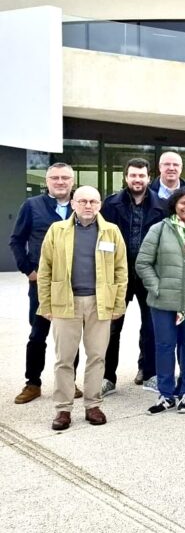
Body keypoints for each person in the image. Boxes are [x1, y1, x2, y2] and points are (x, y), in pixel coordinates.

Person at [36, 186, 127, 431]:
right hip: (66, 301)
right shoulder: (57, 230)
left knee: (97, 356)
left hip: (100, 302)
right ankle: (63, 409)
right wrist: (46, 303)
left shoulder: (111, 231)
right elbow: (44, 269)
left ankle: (93, 405)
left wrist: (118, 304)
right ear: (73, 204)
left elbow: (121, 270)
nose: (88, 206)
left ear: (100, 205)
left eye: (93, 201)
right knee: (64, 358)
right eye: (83, 201)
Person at [135, 187, 185, 415]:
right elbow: (143, 263)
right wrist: (157, 287)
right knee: (164, 346)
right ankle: (166, 394)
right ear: (175, 204)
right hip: (163, 301)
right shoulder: (159, 229)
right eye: (183, 203)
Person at [11, 162, 77, 405]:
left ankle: (69, 383)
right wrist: (28, 271)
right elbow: (17, 240)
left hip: (74, 284)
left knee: (70, 336)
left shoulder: (81, 206)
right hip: (42, 284)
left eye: (65, 178)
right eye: (55, 178)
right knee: (38, 334)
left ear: (72, 181)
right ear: (47, 181)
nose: (60, 182)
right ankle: (33, 383)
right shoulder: (32, 206)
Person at [100, 158, 166, 397]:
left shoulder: (163, 206)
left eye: (141, 175)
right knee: (111, 327)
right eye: (133, 175)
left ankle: (150, 373)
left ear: (149, 177)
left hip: (149, 274)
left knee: (151, 327)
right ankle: (107, 377)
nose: (137, 180)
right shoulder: (110, 205)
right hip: (118, 275)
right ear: (126, 177)